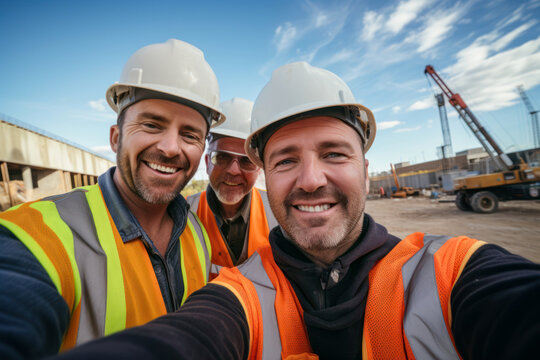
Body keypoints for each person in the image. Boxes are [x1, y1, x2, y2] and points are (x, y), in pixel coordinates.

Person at [53, 62, 540, 360]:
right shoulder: (235, 285)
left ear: (366, 168)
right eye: (287, 159)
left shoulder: (451, 273)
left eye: (333, 153)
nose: (310, 179)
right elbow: (197, 330)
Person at [0, 39, 226, 358]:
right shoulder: (41, 237)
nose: (171, 147)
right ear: (115, 137)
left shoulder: (196, 232)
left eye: (190, 134)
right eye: (151, 124)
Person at [187, 98, 277, 273]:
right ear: (207, 162)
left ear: (258, 168)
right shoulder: (183, 214)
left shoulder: (279, 214)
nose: (233, 170)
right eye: (221, 157)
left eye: (246, 160)